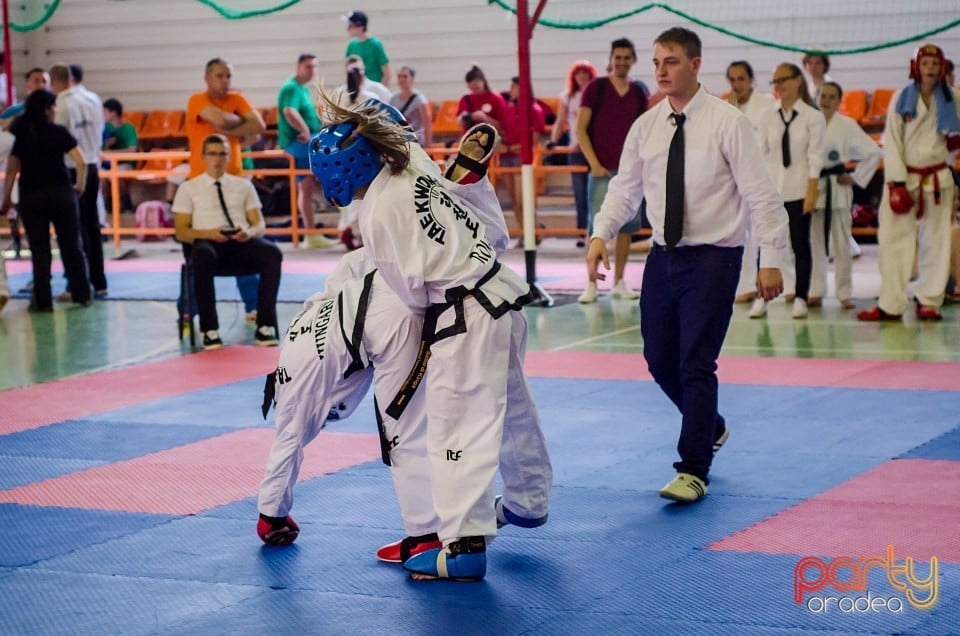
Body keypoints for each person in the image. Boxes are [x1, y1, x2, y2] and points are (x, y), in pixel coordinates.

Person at [309, 99, 552, 581]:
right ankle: (528, 500)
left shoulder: (377, 214)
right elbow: (402, 135)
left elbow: (412, 295)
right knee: (512, 407)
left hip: (464, 318)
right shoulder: (412, 163)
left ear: (341, 171)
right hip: (501, 294)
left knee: (454, 427)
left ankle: (462, 548)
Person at [586, 27, 788, 503]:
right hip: (664, 256)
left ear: (696, 65)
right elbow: (624, 189)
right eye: (656, 62)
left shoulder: (728, 122)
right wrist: (601, 233)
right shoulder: (647, 126)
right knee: (659, 359)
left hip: (715, 257)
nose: (660, 70)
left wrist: (772, 260)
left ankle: (693, 466)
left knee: (697, 361)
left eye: (671, 61)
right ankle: (710, 424)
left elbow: (762, 195)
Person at [858, 44, 960, 322]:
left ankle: (929, 300)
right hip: (904, 177)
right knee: (892, 240)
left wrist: (954, 145)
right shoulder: (900, 99)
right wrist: (896, 184)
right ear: (916, 67)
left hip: (939, 178)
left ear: (942, 69)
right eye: (925, 64)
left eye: (935, 65)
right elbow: (891, 141)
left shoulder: (953, 99)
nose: (930, 69)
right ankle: (890, 304)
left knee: (937, 241)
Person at [171, 134, 282, 349]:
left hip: (239, 242)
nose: (217, 159)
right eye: (212, 154)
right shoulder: (188, 188)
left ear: (229, 157)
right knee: (202, 255)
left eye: (222, 154)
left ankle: (265, 325)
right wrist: (207, 233)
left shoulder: (244, 186)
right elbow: (181, 231)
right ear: (203, 157)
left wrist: (248, 232)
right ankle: (209, 329)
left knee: (272, 253)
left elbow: (259, 225)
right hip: (207, 242)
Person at [1, 89, 92, 312]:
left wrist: (6, 201)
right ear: (46, 109)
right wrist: (79, 186)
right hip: (62, 194)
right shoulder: (59, 132)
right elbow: (81, 162)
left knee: (40, 250)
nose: (54, 111)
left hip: (32, 197)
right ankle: (81, 294)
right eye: (53, 107)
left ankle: (42, 301)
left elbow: (12, 171)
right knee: (71, 246)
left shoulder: (21, 134)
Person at [749, 63, 825, 320]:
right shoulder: (767, 116)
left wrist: (812, 191)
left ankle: (801, 296)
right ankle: (762, 297)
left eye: (783, 80)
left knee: (800, 245)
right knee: (766, 244)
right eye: (775, 82)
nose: (779, 86)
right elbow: (761, 153)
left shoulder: (812, 117)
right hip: (773, 191)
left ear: (797, 81)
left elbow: (815, 157)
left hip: (799, 189)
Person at [576, 38, 649, 303]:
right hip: (601, 171)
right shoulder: (596, 89)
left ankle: (619, 281)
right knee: (596, 228)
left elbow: (644, 130)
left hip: (630, 172)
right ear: (611, 59)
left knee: (627, 228)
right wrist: (594, 163)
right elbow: (580, 128)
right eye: (617, 57)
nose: (621, 62)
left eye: (626, 57)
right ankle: (591, 284)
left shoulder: (639, 92)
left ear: (633, 61)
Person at [808, 81, 881, 309]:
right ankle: (815, 291)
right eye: (823, 96)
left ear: (840, 101)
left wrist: (855, 177)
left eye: (832, 97)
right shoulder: (808, 123)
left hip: (838, 189)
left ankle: (844, 293)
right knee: (814, 245)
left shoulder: (847, 125)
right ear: (817, 98)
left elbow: (873, 152)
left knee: (842, 245)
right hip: (813, 187)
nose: (827, 100)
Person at [50, 63, 107, 299]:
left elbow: (59, 139)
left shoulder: (61, 105)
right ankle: (99, 280)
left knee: (74, 230)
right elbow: (100, 130)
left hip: (72, 168)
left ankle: (77, 284)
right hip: (92, 163)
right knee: (92, 227)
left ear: (54, 82)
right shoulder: (93, 99)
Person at [726, 60, 777, 304]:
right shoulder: (727, 106)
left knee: (764, 232)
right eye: (732, 80)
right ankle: (745, 285)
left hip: (763, 174)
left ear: (751, 80)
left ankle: (770, 283)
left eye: (741, 79)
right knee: (741, 232)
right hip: (735, 178)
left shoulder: (767, 105)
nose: (737, 84)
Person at [277, 53, 331, 249]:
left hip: (306, 142)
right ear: (298, 67)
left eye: (315, 67)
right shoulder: (291, 88)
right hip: (299, 145)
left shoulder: (302, 89)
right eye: (308, 67)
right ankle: (310, 232)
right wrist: (304, 129)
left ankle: (311, 232)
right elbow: (289, 111)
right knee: (307, 188)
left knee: (307, 189)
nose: (312, 71)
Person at [186, 58, 265, 180]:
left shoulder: (238, 99)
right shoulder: (196, 99)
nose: (225, 81)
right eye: (219, 76)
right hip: (203, 178)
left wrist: (229, 131)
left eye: (228, 76)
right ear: (206, 78)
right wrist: (241, 119)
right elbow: (220, 120)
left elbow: (259, 126)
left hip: (235, 176)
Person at [549, 60, 598, 247]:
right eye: (579, 73)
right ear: (574, 76)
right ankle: (580, 232)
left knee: (594, 192)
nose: (582, 76)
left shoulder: (595, 94)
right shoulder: (568, 96)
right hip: (576, 149)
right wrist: (553, 140)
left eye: (586, 72)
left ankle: (594, 232)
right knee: (579, 193)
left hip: (594, 149)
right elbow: (560, 121)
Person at [499, 76, 546, 237]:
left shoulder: (534, 109)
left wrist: (515, 148)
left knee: (523, 200)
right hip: (506, 157)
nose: (510, 90)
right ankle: (526, 234)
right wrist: (504, 147)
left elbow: (534, 140)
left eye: (514, 87)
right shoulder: (508, 108)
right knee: (514, 201)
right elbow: (502, 131)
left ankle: (534, 233)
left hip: (522, 159)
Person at [343, 10, 390, 85]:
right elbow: (347, 70)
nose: (347, 29)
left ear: (360, 27)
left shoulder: (375, 44)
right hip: (357, 92)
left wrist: (379, 92)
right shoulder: (351, 45)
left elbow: (387, 73)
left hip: (373, 90)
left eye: (350, 26)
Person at [389, 64, 432, 147]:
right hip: (399, 141)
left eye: (405, 77)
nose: (402, 79)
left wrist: (428, 145)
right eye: (399, 76)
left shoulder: (419, 100)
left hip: (416, 141)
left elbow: (427, 123)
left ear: (412, 79)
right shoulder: (393, 98)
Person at [456, 65, 507, 134]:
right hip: (471, 139)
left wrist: (485, 119)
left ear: (483, 81)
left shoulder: (496, 99)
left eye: (476, 83)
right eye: (470, 84)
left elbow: (503, 128)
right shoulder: (466, 98)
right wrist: (468, 117)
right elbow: (459, 122)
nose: (473, 86)